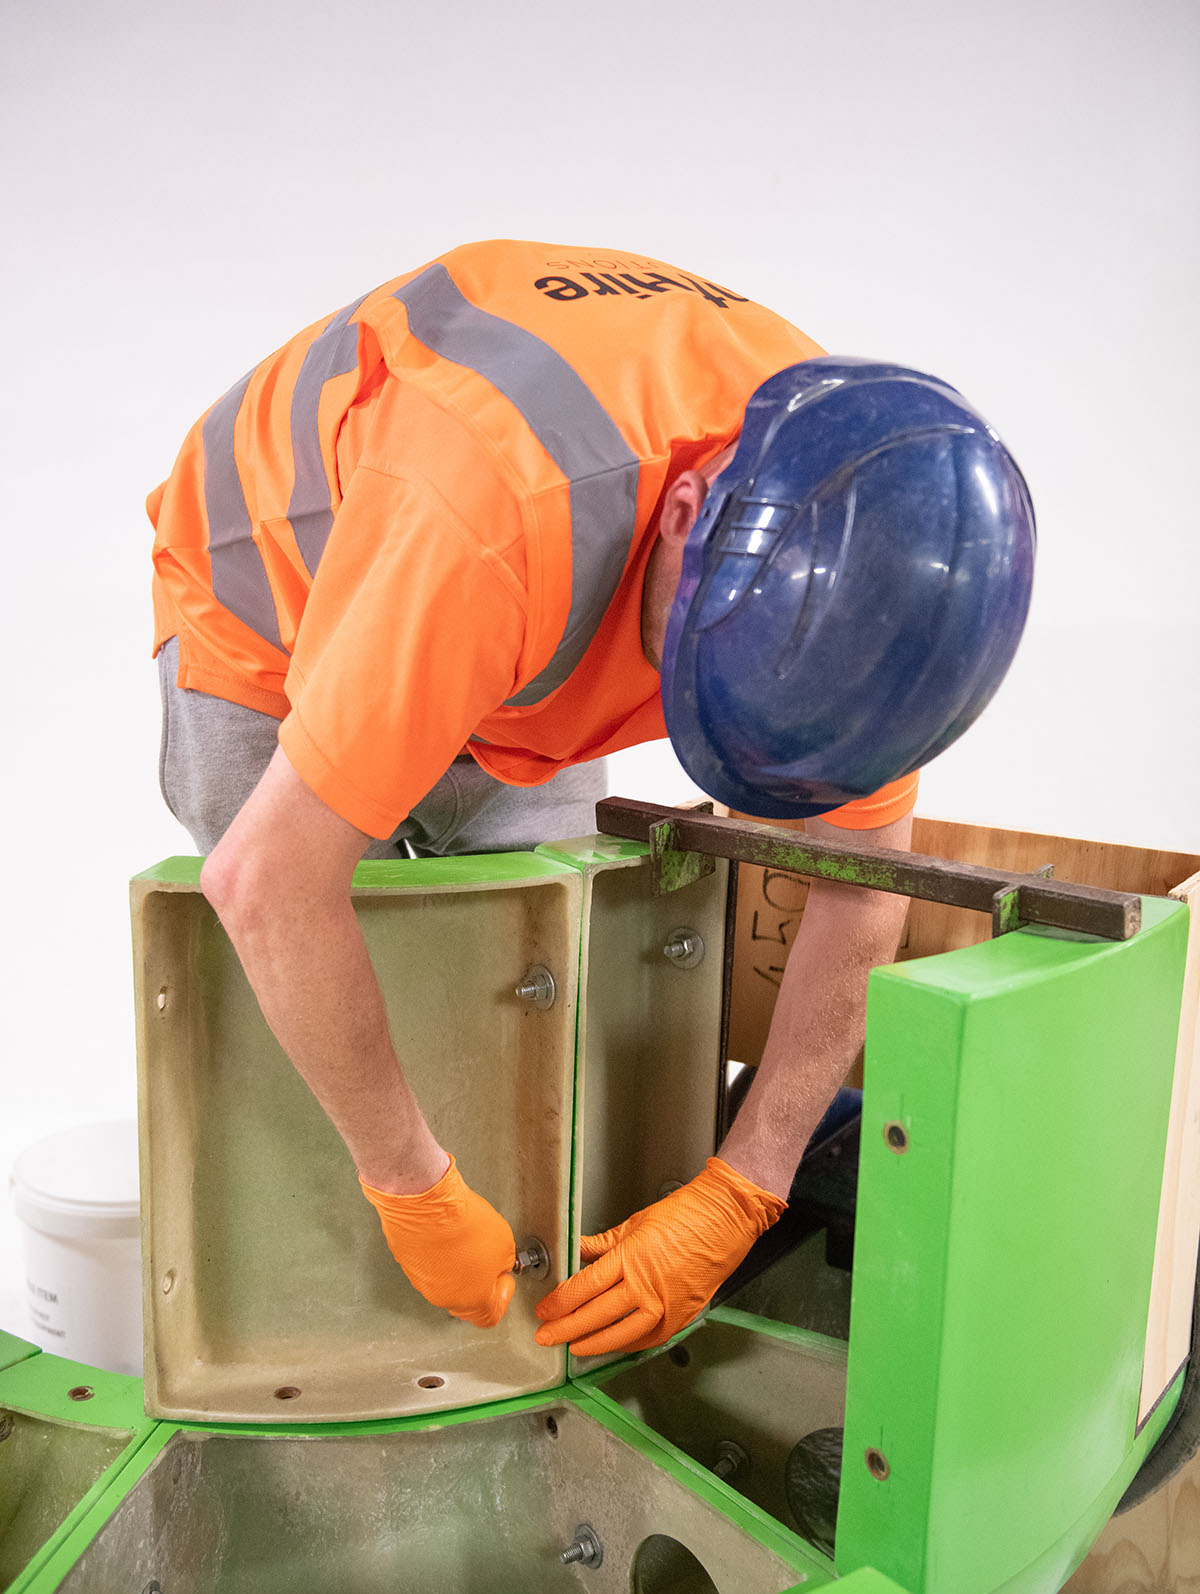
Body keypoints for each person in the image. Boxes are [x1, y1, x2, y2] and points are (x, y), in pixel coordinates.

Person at [149, 238, 1034, 1359]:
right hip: (276, 582)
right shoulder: (499, 525)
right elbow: (269, 886)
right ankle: (333, 1303)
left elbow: (862, 892)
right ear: (683, 519)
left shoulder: (865, 538)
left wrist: (745, 1188)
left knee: (529, 971)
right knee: (293, 976)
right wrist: (409, 1182)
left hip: (511, 591)